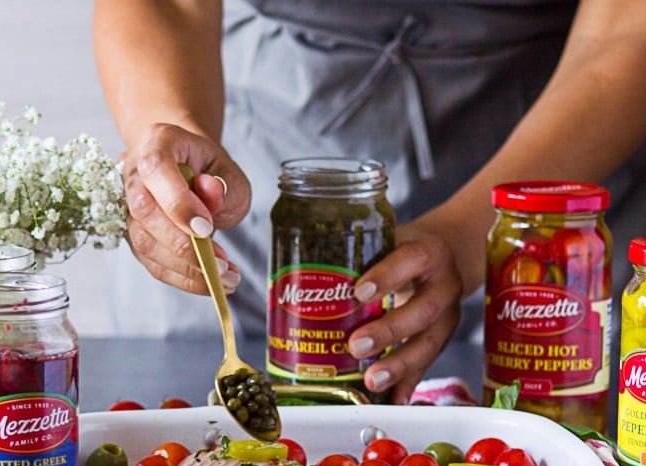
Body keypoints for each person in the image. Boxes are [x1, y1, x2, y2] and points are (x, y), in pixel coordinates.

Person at [93, 0, 646, 405]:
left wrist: (470, 234)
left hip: (552, 183)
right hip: (256, 162)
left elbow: (622, 32)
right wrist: (171, 136)